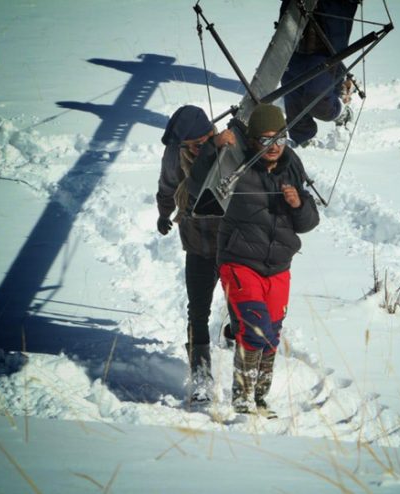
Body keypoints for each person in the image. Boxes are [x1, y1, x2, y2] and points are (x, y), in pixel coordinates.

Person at [188, 104, 320, 417]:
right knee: (254, 327)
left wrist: (298, 204)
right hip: (240, 261)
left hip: (279, 265)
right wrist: (212, 148)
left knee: (271, 333)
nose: (274, 146)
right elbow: (197, 188)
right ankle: (243, 400)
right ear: (253, 140)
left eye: (280, 139)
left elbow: (309, 221)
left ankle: (260, 399)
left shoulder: (291, 165)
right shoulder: (237, 163)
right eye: (266, 140)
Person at [156, 105, 234, 404]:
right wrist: (164, 214)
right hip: (198, 243)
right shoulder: (175, 156)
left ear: (211, 132)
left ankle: (236, 343)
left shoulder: (229, 147)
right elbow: (167, 186)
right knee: (198, 310)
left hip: (232, 243)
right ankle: (201, 377)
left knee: (240, 304)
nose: (194, 150)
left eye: (200, 143)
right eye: (188, 145)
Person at [279, 0, 360, 147]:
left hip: (325, 48)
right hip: (292, 42)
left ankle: (342, 113)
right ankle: (302, 140)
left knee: (318, 102)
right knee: (293, 97)